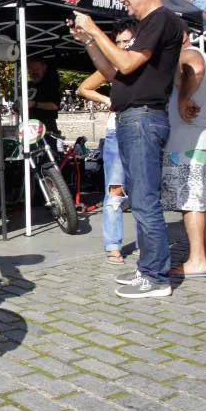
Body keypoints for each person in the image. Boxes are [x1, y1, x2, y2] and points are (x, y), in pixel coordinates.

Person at [71, 0, 184, 299]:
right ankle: (148, 269)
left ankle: (157, 277)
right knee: (138, 198)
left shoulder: (161, 19)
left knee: (146, 200)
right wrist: (90, 41)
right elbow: (111, 70)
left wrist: (94, 27)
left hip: (144, 118)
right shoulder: (150, 24)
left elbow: (126, 64)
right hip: (134, 118)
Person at [76, 19, 138, 265]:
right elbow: (84, 88)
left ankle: (147, 242)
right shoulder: (112, 64)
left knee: (143, 192)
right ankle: (113, 245)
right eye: (119, 41)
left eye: (127, 41)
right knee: (114, 190)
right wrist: (106, 100)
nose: (123, 45)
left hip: (141, 130)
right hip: (116, 132)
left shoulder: (145, 63)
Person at [161, 28, 206, 278]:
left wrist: (183, 98)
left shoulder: (190, 53)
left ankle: (197, 261)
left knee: (190, 200)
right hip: (199, 138)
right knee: (201, 198)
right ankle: (205, 253)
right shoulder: (202, 54)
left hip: (187, 140)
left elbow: (195, 67)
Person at [26, 57, 61, 134]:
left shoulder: (50, 85)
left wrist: (34, 104)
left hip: (47, 126)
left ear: (44, 69)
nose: (34, 72)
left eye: (37, 69)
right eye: (31, 69)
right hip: (29, 125)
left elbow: (54, 105)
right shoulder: (27, 85)